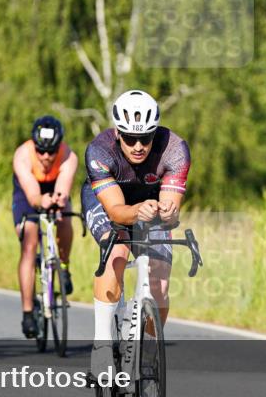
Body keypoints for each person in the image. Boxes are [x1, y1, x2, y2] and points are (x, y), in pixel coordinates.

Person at [81, 90, 190, 380]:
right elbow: (117, 211)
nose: (139, 146)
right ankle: (102, 345)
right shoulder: (99, 151)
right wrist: (137, 209)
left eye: (146, 137)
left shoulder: (175, 149)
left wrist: (168, 212)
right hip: (109, 201)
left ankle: (150, 352)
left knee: (161, 282)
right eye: (130, 138)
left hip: (150, 205)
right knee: (117, 252)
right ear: (118, 133)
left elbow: (172, 208)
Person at [12, 115, 78, 338]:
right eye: (41, 151)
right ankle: (28, 312)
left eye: (52, 151)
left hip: (54, 186)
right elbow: (32, 194)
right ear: (34, 146)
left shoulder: (68, 156)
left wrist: (58, 200)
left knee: (65, 218)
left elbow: (63, 187)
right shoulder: (22, 156)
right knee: (29, 244)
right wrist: (41, 201)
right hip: (27, 192)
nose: (47, 157)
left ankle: (65, 268)